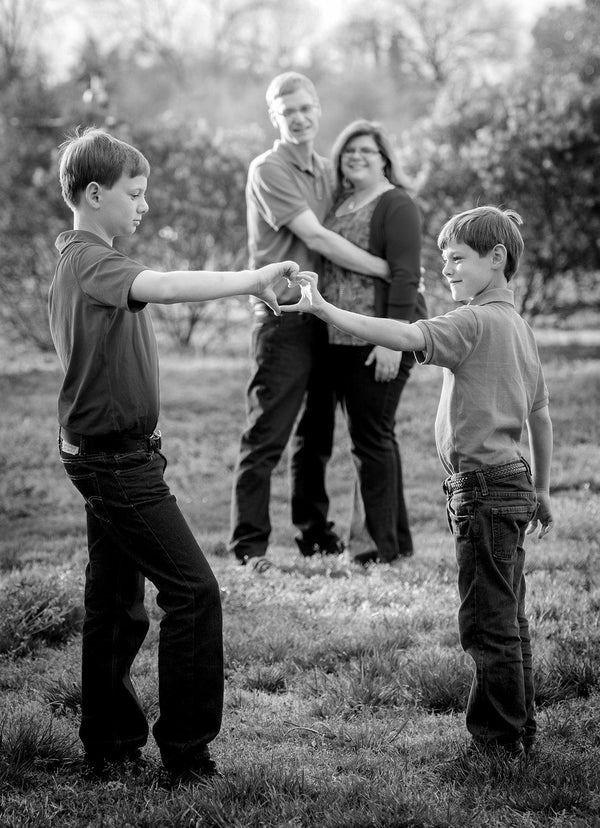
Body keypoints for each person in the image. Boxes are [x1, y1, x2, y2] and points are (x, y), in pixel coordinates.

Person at [48, 127, 297, 786]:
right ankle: (186, 755)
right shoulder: (91, 261)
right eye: (135, 194)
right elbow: (167, 284)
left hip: (111, 455)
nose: (143, 206)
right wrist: (252, 278)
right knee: (194, 593)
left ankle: (109, 744)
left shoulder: (84, 261)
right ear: (94, 193)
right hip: (114, 464)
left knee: (115, 602)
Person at [283, 206, 554, 758]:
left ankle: (498, 744)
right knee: (510, 615)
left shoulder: (473, 322)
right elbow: (540, 414)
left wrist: (324, 307)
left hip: (482, 488)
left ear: (497, 259)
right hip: (513, 482)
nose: (447, 269)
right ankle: (520, 731)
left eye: (458, 259)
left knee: (487, 621)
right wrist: (544, 489)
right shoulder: (518, 326)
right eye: (443, 259)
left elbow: (403, 333)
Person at [229, 73, 390, 570]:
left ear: (318, 109)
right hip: (283, 318)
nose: (298, 118)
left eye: (305, 108)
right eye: (287, 110)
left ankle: (315, 535)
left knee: (316, 436)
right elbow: (317, 238)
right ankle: (249, 548)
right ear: (274, 117)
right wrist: (387, 268)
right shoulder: (268, 168)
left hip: (324, 314)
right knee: (268, 433)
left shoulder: (329, 168)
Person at [320, 119, 427, 565]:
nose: (357, 157)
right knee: (374, 438)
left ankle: (374, 549)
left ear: (384, 157)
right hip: (344, 339)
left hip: (381, 338)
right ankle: (394, 543)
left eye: (367, 150)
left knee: (371, 440)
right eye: (350, 151)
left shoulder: (396, 203)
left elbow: (405, 275)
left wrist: (392, 341)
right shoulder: (343, 202)